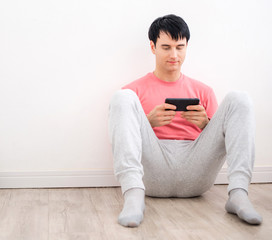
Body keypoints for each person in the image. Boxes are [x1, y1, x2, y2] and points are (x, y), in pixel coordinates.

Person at [108, 14, 262, 227]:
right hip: (150, 173)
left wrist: (205, 125)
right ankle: (133, 195)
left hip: (197, 173)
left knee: (240, 98)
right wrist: (148, 122)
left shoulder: (204, 91)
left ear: (187, 47)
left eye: (180, 47)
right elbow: (124, 137)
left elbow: (225, 138)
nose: (174, 54)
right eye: (166, 47)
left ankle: (238, 194)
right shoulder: (133, 92)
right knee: (121, 97)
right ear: (152, 47)